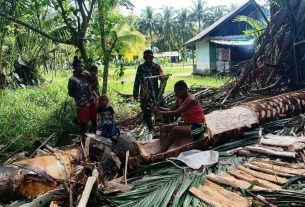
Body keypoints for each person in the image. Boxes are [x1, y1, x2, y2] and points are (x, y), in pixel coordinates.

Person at [152, 80, 207, 153]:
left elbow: (176, 112)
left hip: (198, 126)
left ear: (184, 90)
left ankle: (161, 152)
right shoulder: (180, 98)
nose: (176, 94)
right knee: (163, 128)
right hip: (187, 123)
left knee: (175, 130)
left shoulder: (191, 100)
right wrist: (159, 108)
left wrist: (159, 112)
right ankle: (163, 149)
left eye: (177, 92)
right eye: (175, 92)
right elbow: (171, 109)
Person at [133, 50, 164, 138]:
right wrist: (135, 93)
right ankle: (151, 129)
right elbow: (137, 81)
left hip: (156, 92)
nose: (148, 58)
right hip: (145, 92)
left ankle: (168, 125)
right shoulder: (140, 68)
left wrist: (162, 79)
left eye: (150, 57)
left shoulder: (157, 67)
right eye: (146, 57)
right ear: (144, 58)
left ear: (152, 57)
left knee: (163, 106)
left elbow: (162, 79)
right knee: (145, 111)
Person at [68, 56, 97, 136]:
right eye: (79, 66)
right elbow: (70, 93)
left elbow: (93, 84)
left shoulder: (85, 75)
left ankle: (96, 137)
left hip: (91, 101)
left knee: (94, 119)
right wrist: (80, 97)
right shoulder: (72, 79)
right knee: (83, 123)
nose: (81, 68)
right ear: (75, 67)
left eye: (82, 66)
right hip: (82, 104)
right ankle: (83, 140)